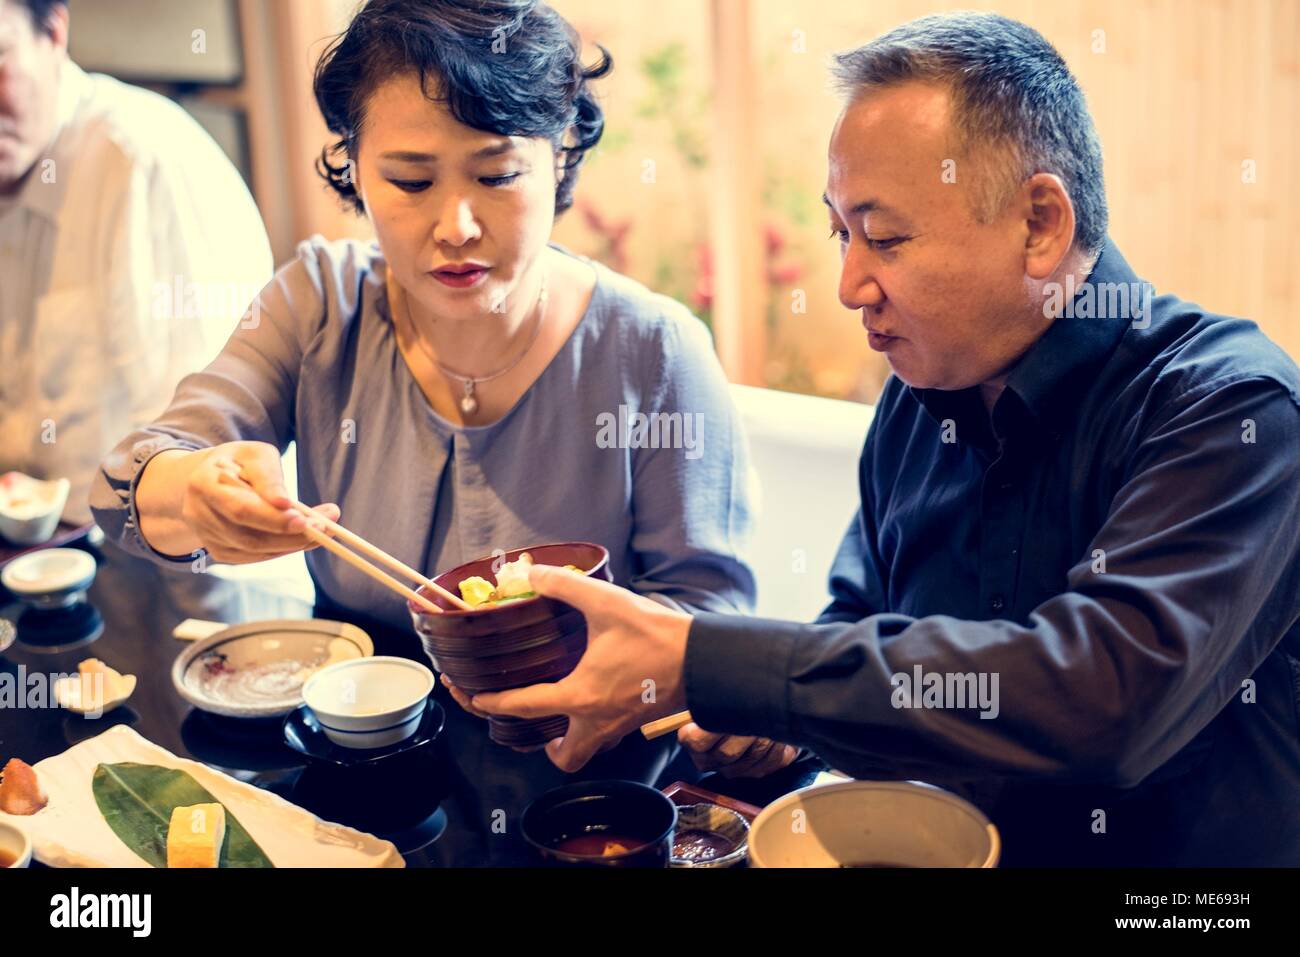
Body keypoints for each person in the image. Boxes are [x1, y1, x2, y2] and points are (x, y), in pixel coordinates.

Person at [473, 12, 1300, 866]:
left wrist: (705, 657)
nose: (848, 284)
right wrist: (784, 731)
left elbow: (1103, 697)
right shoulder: (922, 392)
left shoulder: (1232, 408)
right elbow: (862, 621)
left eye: (886, 237)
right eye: (841, 232)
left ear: (1041, 223)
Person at [91, 0, 788, 862]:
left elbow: (709, 613)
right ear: (352, 165)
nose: (455, 225)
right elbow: (122, 489)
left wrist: (638, 682)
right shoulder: (321, 302)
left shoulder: (650, 348)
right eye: (411, 181)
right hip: (358, 794)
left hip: (591, 806)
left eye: (496, 176)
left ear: (561, 151)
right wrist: (192, 491)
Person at [0, 0, 272, 523]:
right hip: (55, 571)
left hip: (185, 581)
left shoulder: (142, 162)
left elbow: (207, 451)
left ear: (54, 30)